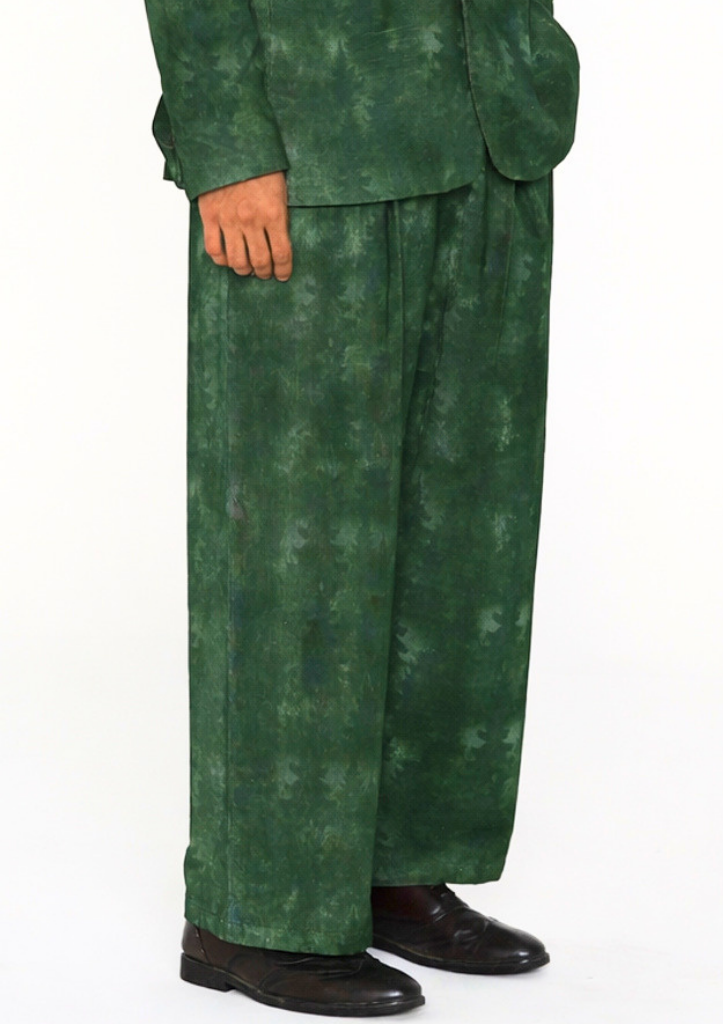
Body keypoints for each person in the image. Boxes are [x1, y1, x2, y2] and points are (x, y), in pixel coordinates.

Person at [143, 0, 580, 1016]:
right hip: (314, 137)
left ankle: (394, 871)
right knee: (299, 542)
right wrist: (227, 141)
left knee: (464, 540)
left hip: (492, 129)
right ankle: (255, 912)